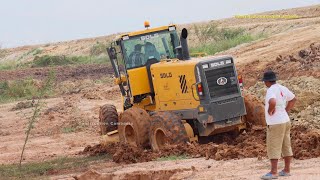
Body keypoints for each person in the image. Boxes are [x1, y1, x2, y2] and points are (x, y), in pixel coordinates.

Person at [261, 70, 296, 180]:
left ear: (267, 81)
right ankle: (286, 170)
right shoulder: (282, 88)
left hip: (275, 122)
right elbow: (293, 99)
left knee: (273, 145)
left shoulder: (271, 90)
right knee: (286, 145)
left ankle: (274, 172)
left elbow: (272, 101)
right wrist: (286, 110)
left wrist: (271, 110)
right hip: (285, 120)